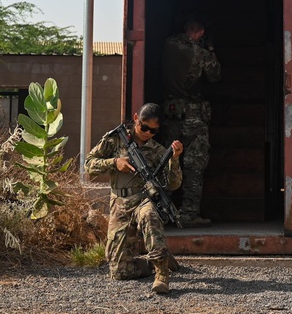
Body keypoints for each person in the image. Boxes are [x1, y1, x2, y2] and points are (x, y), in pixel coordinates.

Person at [84, 104, 183, 294]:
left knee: (150, 215)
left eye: (153, 131)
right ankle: (154, 260)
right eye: (144, 127)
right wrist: (114, 163)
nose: (147, 133)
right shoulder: (115, 140)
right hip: (119, 203)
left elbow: (173, 184)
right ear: (136, 118)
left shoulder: (157, 150)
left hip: (142, 199)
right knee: (120, 272)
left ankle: (161, 273)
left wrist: (175, 159)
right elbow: (88, 165)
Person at [160, 16, 222, 227]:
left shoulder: (168, 44)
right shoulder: (201, 53)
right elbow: (215, 76)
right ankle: (188, 214)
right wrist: (211, 48)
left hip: (170, 113)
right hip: (193, 116)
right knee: (194, 165)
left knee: (168, 161)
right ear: (201, 32)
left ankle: (162, 210)